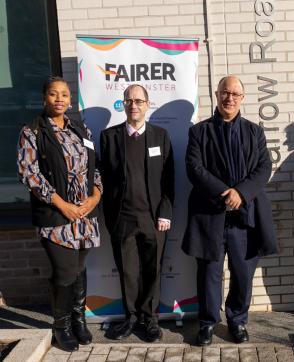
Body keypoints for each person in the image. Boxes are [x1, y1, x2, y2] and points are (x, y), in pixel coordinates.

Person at [182, 75, 278, 346]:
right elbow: (194, 168)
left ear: (242, 98)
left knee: (243, 272)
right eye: (225, 92)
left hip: (245, 216)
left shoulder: (254, 131)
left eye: (236, 94)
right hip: (210, 214)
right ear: (216, 94)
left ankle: (237, 321)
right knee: (209, 272)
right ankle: (208, 323)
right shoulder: (199, 131)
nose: (230, 98)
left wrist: (241, 193)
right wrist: (226, 194)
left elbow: (264, 168)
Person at [17, 76, 102, 352]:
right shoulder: (33, 131)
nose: (59, 99)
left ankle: (79, 321)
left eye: (64, 95)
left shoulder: (81, 128)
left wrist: (95, 196)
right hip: (56, 216)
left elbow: (94, 168)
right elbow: (29, 173)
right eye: (54, 94)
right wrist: (62, 204)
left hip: (85, 214)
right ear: (45, 98)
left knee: (78, 269)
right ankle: (61, 326)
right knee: (64, 271)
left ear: (69, 99)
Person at [100, 84, 174, 342]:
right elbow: (104, 179)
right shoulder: (108, 137)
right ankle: (130, 318)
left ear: (147, 104)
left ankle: (150, 319)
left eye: (139, 101)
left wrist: (165, 213)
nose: (134, 105)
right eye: (129, 100)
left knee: (153, 270)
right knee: (128, 271)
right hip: (122, 219)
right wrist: (110, 216)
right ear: (123, 104)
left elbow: (168, 179)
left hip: (153, 219)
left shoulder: (160, 136)